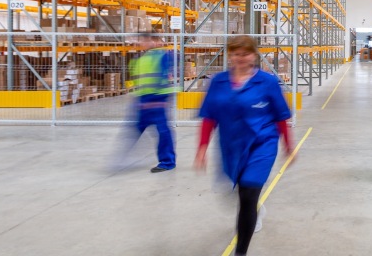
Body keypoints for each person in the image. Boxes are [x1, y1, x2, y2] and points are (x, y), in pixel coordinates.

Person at [195, 35, 293, 256]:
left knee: (247, 193)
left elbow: (281, 116)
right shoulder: (218, 82)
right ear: (230, 55)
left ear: (254, 55)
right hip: (231, 146)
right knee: (238, 192)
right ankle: (255, 209)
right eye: (236, 53)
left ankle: (240, 252)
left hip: (262, 144)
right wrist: (201, 148)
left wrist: (288, 144)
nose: (240, 58)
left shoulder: (267, 82)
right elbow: (209, 117)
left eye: (245, 53)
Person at [125, 34, 177, 172]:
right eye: (142, 41)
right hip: (143, 100)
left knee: (163, 131)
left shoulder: (162, 56)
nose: (143, 43)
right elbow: (137, 80)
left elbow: (165, 76)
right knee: (136, 129)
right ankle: (120, 159)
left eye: (147, 41)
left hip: (157, 99)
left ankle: (167, 162)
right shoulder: (139, 60)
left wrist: (162, 99)